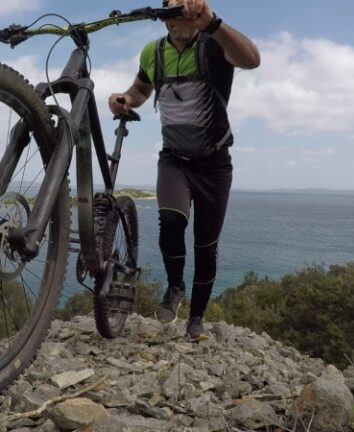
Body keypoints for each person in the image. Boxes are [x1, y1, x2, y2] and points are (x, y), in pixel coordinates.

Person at [109, 0, 260, 341]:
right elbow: (142, 88)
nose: (181, 16)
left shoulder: (213, 45)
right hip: (174, 158)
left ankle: (196, 318)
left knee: (206, 246)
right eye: (172, 9)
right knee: (172, 221)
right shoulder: (153, 52)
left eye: (187, 6)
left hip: (215, 164)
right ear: (163, 17)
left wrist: (213, 24)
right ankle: (174, 287)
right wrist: (125, 99)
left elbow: (252, 59)